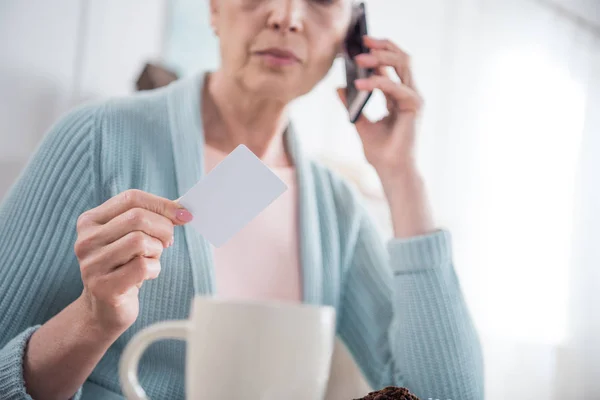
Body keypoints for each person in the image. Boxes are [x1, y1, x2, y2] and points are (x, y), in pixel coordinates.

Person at [0, 0, 484, 399]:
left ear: (352, 38)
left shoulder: (337, 210)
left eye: (321, 1)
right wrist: (92, 319)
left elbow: (443, 395)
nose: (287, 16)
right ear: (213, 8)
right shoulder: (97, 137)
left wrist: (402, 178)